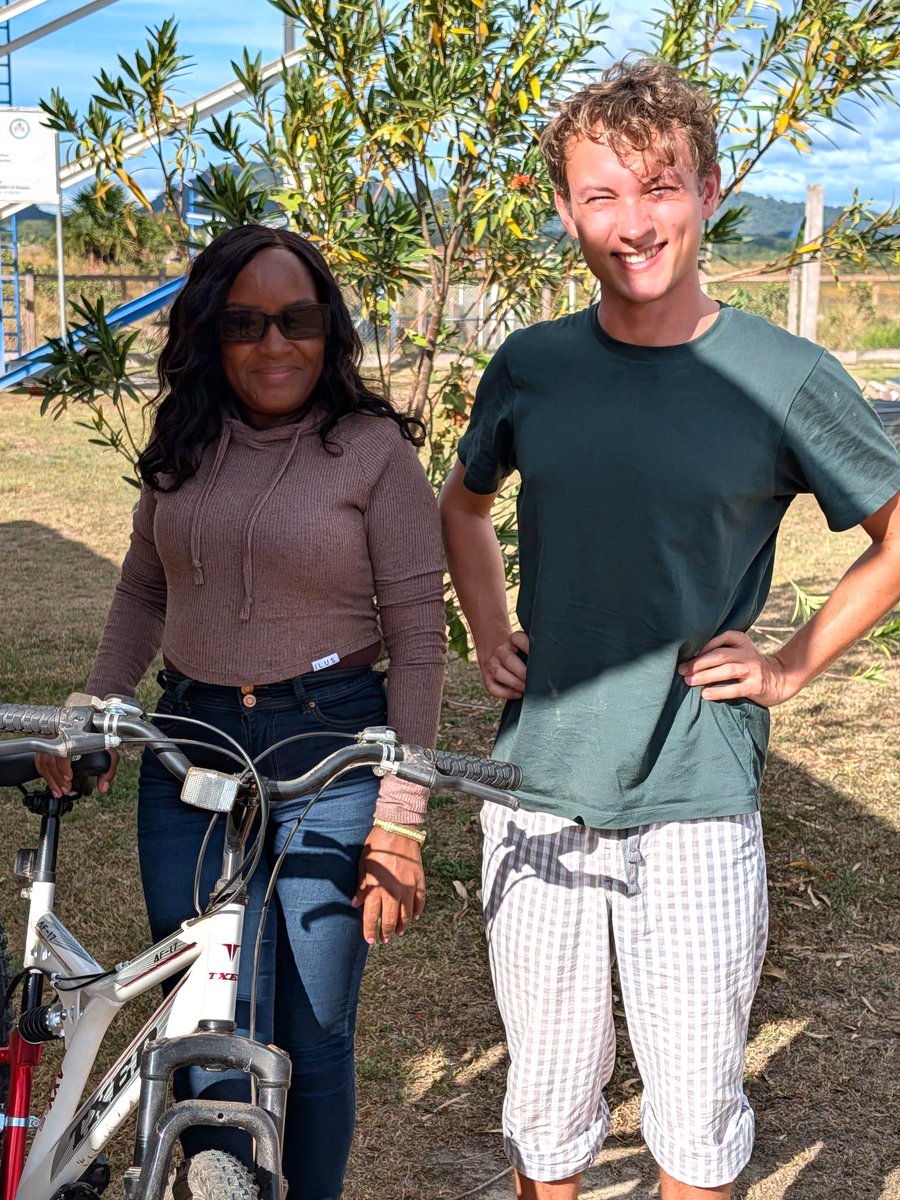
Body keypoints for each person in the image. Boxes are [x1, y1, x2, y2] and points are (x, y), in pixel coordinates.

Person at [439, 58, 900, 1200]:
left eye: (660, 187)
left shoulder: (782, 376)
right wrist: (488, 623)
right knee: (546, 1116)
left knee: (694, 1120)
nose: (632, 223)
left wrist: (791, 665)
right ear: (566, 208)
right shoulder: (534, 366)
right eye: (601, 195)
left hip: (694, 799)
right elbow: (461, 501)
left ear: (706, 190)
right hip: (535, 788)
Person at [36, 223, 446, 1199]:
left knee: (313, 1027)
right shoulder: (186, 440)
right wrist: (100, 706)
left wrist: (400, 818)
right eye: (247, 322)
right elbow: (142, 592)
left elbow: (421, 641)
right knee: (209, 1016)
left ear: (330, 329)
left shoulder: (372, 451)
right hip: (189, 751)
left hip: (330, 753)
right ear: (212, 335)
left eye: (297, 320)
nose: (275, 344)